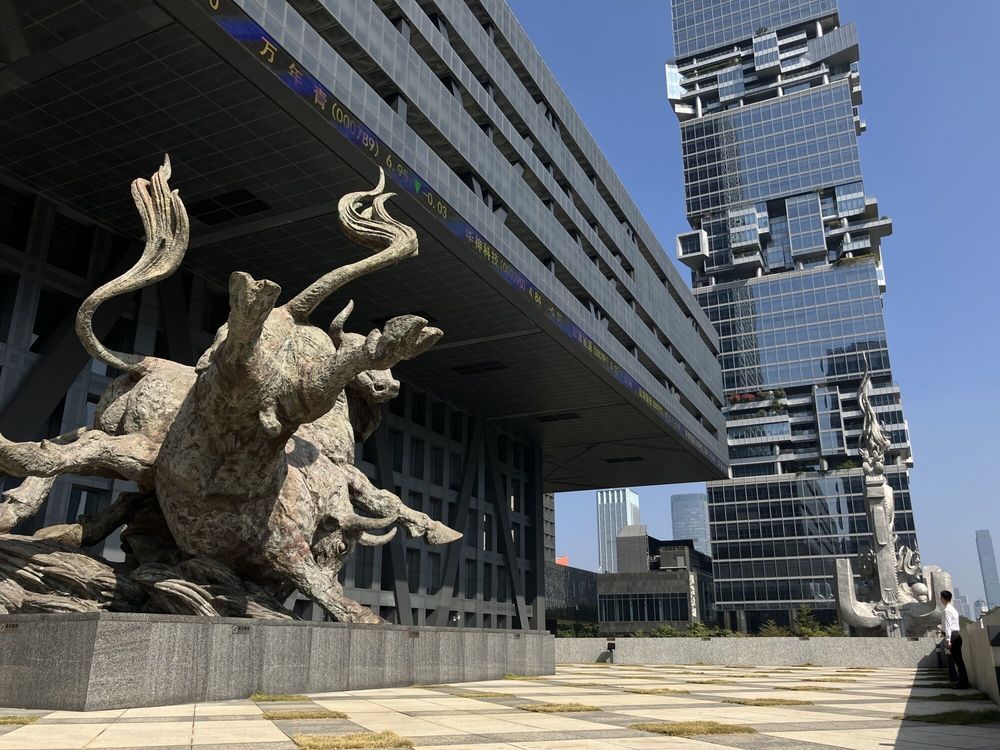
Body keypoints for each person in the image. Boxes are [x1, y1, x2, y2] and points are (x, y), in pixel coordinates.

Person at [940, 590, 970, 688]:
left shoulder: (947, 610)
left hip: (952, 636)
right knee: (959, 661)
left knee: (958, 661)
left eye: (941, 598)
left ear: (943, 598)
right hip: (957, 635)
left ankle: (963, 683)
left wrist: (948, 640)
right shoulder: (953, 609)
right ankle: (963, 681)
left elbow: (948, 626)